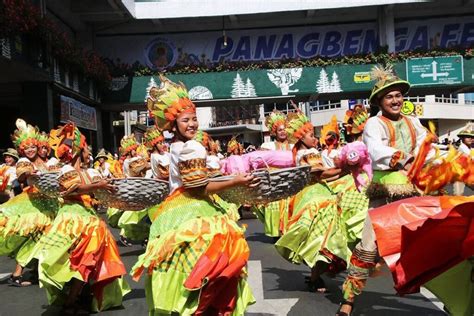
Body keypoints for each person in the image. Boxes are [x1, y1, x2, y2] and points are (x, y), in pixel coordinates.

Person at [132, 75, 256, 315]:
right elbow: (199, 188)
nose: (192, 124)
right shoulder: (190, 147)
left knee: (191, 268)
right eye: (186, 120)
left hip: (176, 208)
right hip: (193, 207)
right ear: (173, 124)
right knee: (216, 261)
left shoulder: (177, 147)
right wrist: (236, 181)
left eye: (194, 119)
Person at [336, 65, 432, 316]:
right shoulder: (373, 124)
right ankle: (348, 298)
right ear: (379, 100)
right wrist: (402, 158)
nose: (396, 100)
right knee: (368, 248)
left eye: (399, 95)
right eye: (389, 96)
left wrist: (437, 158)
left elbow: (426, 146)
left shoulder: (413, 122)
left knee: (431, 243)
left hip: (412, 192)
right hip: (383, 193)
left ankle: (453, 297)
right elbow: (376, 151)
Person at [29, 122, 129, 314]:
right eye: (85, 148)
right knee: (79, 259)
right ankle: (71, 300)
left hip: (87, 217)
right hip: (72, 219)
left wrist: (108, 190)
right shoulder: (66, 170)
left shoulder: (88, 172)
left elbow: (95, 191)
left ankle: (77, 298)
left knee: (87, 259)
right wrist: (97, 187)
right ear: (77, 151)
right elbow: (74, 189)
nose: (88, 152)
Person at [275, 111, 369, 294]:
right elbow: (322, 175)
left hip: (316, 195)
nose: (315, 138)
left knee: (324, 237)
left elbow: (325, 173)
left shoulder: (305, 152)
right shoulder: (307, 153)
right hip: (315, 197)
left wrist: (344, 169)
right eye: (311, 135)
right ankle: (318, 274)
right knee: (325, 236)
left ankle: (317, 274)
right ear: (302, 138)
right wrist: (346, 169)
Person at [0, 119, 60, 287]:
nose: (31, 150)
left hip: (50, 203)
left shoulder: (45, 162)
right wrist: (27, 173)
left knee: (45, 238)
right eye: (27, 148)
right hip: (34, 205)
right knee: (36, 237)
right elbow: (21, 173)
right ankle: (17, 273)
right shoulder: (23, 161)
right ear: (22, 149)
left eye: (33, 147)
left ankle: (33, 270)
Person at [256, 110, 293, 238]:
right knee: (275, 207)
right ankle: (277, 231)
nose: (283, 132)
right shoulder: (268, 146)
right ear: (274, 132)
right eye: (280, 130)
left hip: (291, 181)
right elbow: (261, 161)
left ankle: (288, 229)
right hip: (275, 182)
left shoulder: (294, 146)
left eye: (284, 129)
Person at [453, 123, 473, 195]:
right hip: (459, 175)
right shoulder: (462, 147)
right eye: (468, 137)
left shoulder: (471, 148)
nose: (471, 139)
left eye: (472, 137)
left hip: (468, 175)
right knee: (458, 195)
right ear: (462, 138)